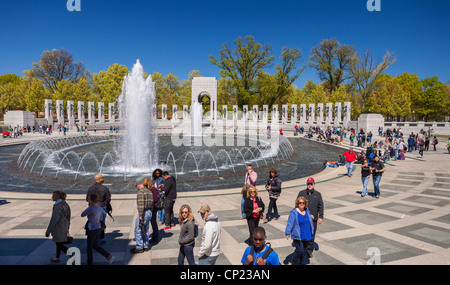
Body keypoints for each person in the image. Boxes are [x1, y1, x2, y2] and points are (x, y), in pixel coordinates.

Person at [81, 194, 114, 265]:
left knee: (89, 247)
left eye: (89, 199)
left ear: (91, 200)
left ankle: (90, 263)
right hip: (98, 228)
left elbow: (82, 214)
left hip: (92, 229)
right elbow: (101, 218)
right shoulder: (99, 207)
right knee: (94, 245)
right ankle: (108, 256)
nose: (88, 200)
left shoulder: (91, 208)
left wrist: (88, 207)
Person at [297, 177, 323, 258]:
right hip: (303, 219)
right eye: (308, 184)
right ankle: (302, 249)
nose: (310, 185)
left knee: (311, 235)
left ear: (314, 184)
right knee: (302, 235)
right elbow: (297, 205)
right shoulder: (301, 193)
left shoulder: (318, 194)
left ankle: (308, 250)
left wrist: (320, 217)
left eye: (311, 184)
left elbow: (321, 206)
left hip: (313, 220)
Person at [285, 196, 315, 265]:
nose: (302, 204)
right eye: (300, 203)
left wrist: (311, 216)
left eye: (303, 203)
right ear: (297, 203)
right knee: (299, 250)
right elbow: (290, 223)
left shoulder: (307, 210)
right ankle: (294, 261)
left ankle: (303, 263)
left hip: (307, 234)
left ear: (305, 203)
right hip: (298, 235)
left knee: (304, 251)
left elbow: (308, 217)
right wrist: (287, 233)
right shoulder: (294, 212)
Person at [45, 190, 71, 263]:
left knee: (60, 244)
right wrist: (68, 225)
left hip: (59, 226)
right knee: (59, 243)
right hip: (64, 224)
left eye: (53, 196)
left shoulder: (58, 206)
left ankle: (72, 256)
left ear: (58, 196)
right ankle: (57, 257)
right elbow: (69, 216)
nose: (52, 197)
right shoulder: (65, 204)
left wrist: (48, 231)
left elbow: (54, 219)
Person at [130, 179, 155, 253]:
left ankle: (139, 247)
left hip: (143, 212)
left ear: (139, 185)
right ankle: (146, 245)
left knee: (138, 229)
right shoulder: (149, 191)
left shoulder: (141, 192)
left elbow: (141, 205)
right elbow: (152, 203)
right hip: (149, 212)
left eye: (136, 186)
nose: (136, 188)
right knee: (145, 229)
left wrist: (140, 215)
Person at [86, 174, 111, 243]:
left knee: (92, 223)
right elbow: (108, 199)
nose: (103, 179)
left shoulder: (90, 188)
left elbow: (87, 199)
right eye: (102, 178)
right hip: (102, 207)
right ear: (99, 179)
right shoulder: (105, 188)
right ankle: (100, 239)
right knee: (101, 223)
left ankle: (92, 238)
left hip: (92, 208)